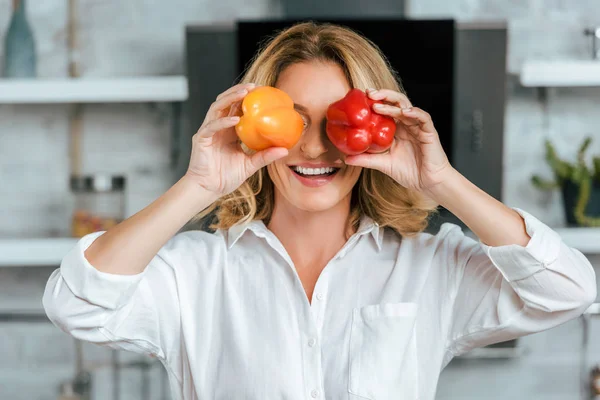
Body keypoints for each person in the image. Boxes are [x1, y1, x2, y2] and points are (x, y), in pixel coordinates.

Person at [43, 22, 596, 400]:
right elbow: (76, 306)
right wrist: (198, 185)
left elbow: (568, 291)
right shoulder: (191, 272)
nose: (314, 149)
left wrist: (442, 181)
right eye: (295, 121)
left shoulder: (433, 267)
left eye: (340, 122)